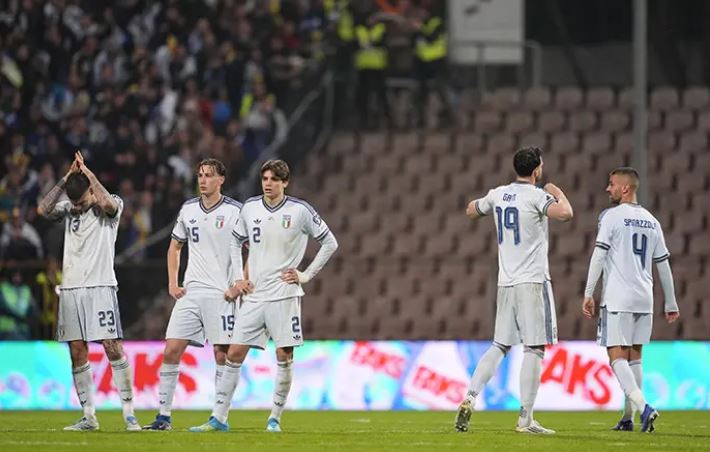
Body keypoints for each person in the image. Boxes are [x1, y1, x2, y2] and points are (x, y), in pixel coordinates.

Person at [189, 159, 338, 433]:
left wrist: (305, 275)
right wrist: (238, 278)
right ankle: (218, 418)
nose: (268, 184)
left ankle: (275, 418)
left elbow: (330, 242)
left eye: (274, 179)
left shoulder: (300, 210)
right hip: (254, 295)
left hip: (283, 294)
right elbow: (235, 241)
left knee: (284, 354)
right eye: (265, 179)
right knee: (234, 353)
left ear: (285, 182)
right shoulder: (250, 208)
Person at [455, 147, 573, 434]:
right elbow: (566, 213)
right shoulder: (537, 196)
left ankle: (470, 397)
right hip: (532, 282)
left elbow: (471, 210)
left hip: (505, 282)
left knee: (500, 345)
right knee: (534, 348)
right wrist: (557, 192)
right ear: (536, 170)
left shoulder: (499, 194)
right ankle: (525, 419)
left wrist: (485, 205)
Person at [37, 151, 139, 431]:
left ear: (92, 190)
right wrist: (66, 178)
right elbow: (42, 210)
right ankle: (89, 416)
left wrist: (89, 174)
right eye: (74, 203)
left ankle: (129, 414)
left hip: (101, 286)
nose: (77, 207)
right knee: (77, 350)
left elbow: (107, 204)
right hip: (71, 288)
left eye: (81, 202)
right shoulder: (69, 207)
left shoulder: (111, 205)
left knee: (111, 346)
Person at [143, 159, 246, 431]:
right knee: (171, 350)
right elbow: (174, 247)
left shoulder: (235, 211)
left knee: (222, 355)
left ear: (221, 179)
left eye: (209, 175)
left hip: (221, 294)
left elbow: (253, 249)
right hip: (191, 291)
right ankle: (163, 417)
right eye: (200, 175)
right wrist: (172, 283)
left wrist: (239, 283)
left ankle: (219, 417)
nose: (203, 180)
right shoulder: (188, 209)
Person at [581, 167, 679, 433]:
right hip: (644, 299)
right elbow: (663, 265)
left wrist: (589, 292)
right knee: (635, 358)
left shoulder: (611, 217)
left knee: (616, 357)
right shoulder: (652, 221)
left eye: (612, 184)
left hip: (618, 297)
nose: (608, 188)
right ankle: (628, 418)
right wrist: (670, 302)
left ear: (625, 188)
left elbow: (599, 256)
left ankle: (644, 407)